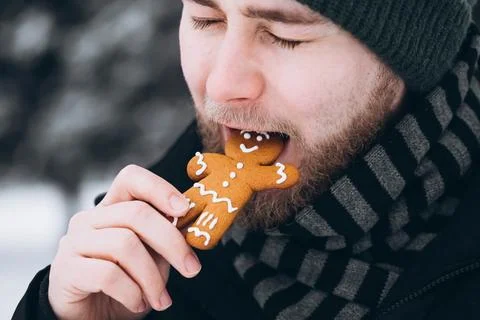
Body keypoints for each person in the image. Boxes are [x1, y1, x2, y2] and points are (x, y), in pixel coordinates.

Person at [12, 0, 480, 319]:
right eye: (205, 19)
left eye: (284, 35)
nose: (221, 84)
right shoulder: (141, 259)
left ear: (409, 56)